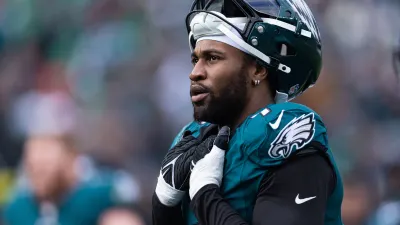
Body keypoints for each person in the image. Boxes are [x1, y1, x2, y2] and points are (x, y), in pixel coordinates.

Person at [152, 0, 344, 224]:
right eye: (195, 59)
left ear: (259, 69)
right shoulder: (192, 139)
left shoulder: (283, 130)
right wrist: (164, 203)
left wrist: (205, 196)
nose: (195, 73)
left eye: (213, 58)